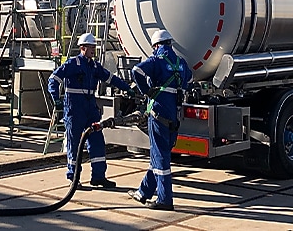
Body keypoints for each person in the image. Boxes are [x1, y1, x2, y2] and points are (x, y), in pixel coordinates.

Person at [48, 32, 134, 188]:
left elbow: (111, 78)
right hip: (74, 109)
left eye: (94, 47)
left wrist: (127, 88)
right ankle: (73, 178)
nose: (94, 49)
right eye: (91, 47)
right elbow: (53, 79)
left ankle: (98, 177)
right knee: (75, 144)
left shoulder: (94, 67)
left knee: (97, 142)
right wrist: (56, 99)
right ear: (82, 48)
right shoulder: (72, 64)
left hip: (90, 109)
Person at [127, 29, 192, 211]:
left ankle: (165, 199)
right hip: (174, 117)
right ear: (170, 43)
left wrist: (146, 91)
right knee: (160, 153)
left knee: (161, 157)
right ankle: (143, 192)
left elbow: (136, 70)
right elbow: (190, 79)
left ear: (156, 46)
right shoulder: (181, 63)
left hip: (158, 115)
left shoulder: (157, 61)